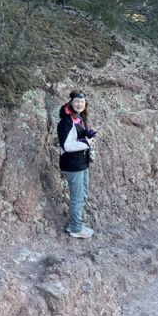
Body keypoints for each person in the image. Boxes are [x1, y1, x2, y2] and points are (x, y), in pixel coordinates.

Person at [57, 90, 96, 238]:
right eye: (76, 101)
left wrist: (87, 137)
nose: (79, 104)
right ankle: (75, 228)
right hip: (73, 165)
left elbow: (77, 140)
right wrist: (87, 143)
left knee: (83, 194)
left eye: (82, 102)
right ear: (71, 103)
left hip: (81, 163)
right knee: (77, 197)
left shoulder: (78, 119)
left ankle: (75, 224)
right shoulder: (66, 122)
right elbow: (67, 146)